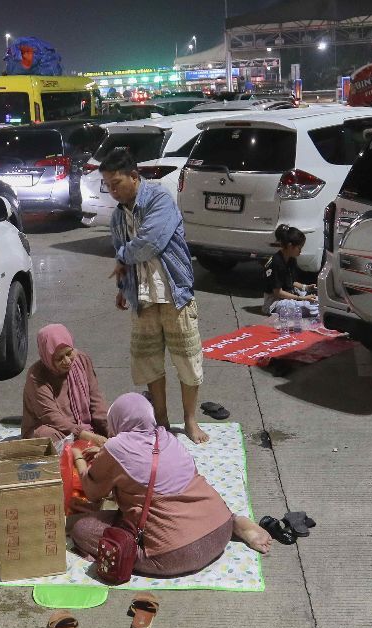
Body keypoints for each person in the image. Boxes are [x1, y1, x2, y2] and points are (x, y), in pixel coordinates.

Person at [67, 393, 273, 577]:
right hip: (221, 527)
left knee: (82, 528)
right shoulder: (166, 437)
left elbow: (93, 491)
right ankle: (236, 522)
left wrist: (79, 459)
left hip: (175, 555)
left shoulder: (115, 448)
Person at [101, 147, 210, 445]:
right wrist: (123, 289)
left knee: (187, 359)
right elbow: (122, 258)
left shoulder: (160, 200)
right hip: (143, 297)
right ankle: (161, 419)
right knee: (149, 360)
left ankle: (190, 420)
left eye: (116, 184)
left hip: (174, 292)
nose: (112, 191)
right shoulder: (117, 218)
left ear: (135, 177)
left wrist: (123, 256)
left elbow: (150, 242)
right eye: (107, 186)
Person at [22, 324, 111, 446]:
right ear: (48, 357)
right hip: (57, 429)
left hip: (85, 429)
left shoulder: (82, 360)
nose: (68, 361)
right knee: (46, 435)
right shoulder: (36, 376)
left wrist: (109, 429)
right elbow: (51, 417)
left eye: (69, 353)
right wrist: (86, 435)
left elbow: (96, 400)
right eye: (59, 358)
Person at [262, 225, 318, 316]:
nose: (300, 251)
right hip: (274, 302)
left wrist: (306, 287)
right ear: (290, 246)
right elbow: (278, 292)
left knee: (317, 301)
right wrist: (301, 299)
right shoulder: (276, 263)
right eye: (299, 248)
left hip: (289, 295)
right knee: (311, 308)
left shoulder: (291, 259)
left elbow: (291, 282)